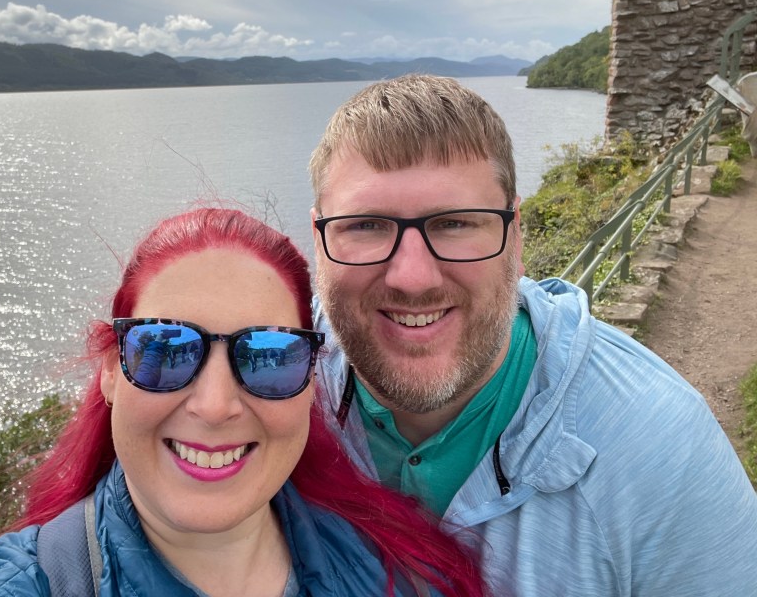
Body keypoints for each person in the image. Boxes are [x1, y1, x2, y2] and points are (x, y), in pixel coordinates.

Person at [308, 74, 757, 597]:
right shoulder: (269, 382)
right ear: (318, 240)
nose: (412, 277)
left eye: (456, 223)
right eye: (365, 226)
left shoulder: (659, 451)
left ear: (515, 233)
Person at [0, 207, 486, 597]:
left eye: (269, 355)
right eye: (163, 350)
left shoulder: (399, 572)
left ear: (309, 380)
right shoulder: (22, 584)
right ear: (111, 373)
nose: (216, 405)